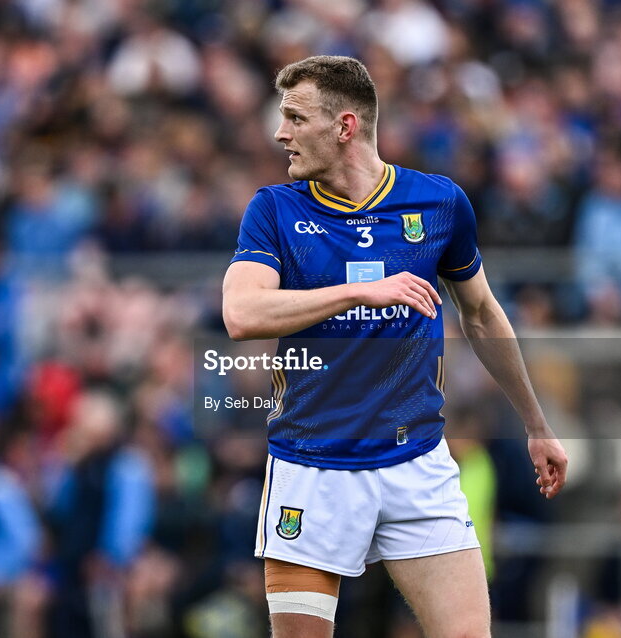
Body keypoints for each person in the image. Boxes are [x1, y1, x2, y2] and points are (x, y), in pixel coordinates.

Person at [221, 56, 568, 638]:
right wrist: (359, 290)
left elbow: (481, 313)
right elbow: (241, 313)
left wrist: (536, 423)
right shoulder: (274, 210)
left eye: (295, 117)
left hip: (417, 464)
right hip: (312, 466)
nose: (281, 133)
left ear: (345, 126)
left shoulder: (438, 204)